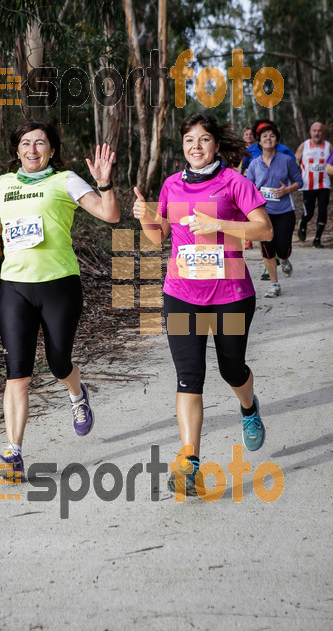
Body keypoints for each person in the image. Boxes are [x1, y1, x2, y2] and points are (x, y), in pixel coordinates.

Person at [0, 120, 119, 479]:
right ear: (17, 149)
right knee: (17, 374)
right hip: (15, 286)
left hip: (59, 284)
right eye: (26, 143)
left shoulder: (65, 181)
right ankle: (13, 453)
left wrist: (104, 183)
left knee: (59, 362)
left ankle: (77, 394)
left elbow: (110, 214)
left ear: (52, 150)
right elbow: (0, 221)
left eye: (40, 143)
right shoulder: (5, 183)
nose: (32, 150)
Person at [133, 113, 273, 497]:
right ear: (182, 145)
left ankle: (248, 407)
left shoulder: (234, 182)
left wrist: (220, 226)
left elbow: (264, 228)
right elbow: (158, 237)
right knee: (188, 376)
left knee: (231, 369)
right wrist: (146, 217)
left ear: (215, 144)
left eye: (204, 139)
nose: (196, 146)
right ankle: (189, 463)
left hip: (230, 297)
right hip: (180, 296)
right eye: (189, 139)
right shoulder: (171, 185)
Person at [246, 121, 303, 297]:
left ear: (276, 139)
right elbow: (248, 187)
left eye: (271, 135)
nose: (268, 138)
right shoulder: (254, 164)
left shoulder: (286, 160)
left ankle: (284, 259)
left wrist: (286, 190)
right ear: (259, 141)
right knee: (268, 248)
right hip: (263, 213)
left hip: (285, 211)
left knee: (283, 246)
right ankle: (274, 284)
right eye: (265, 136)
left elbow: (299, 182)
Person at [295, 122, 332, 248]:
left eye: (319, 130)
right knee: (308, 214)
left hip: (324, 184)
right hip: (308, 185)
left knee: (322, 211)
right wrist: (296, 176)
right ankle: (303, 224)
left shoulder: (328, 146)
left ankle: (317, 239)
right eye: (314, 130)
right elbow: (295, 161)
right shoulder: (304, 145)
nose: (317, 133)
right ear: (311, 132)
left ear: (323, 132)